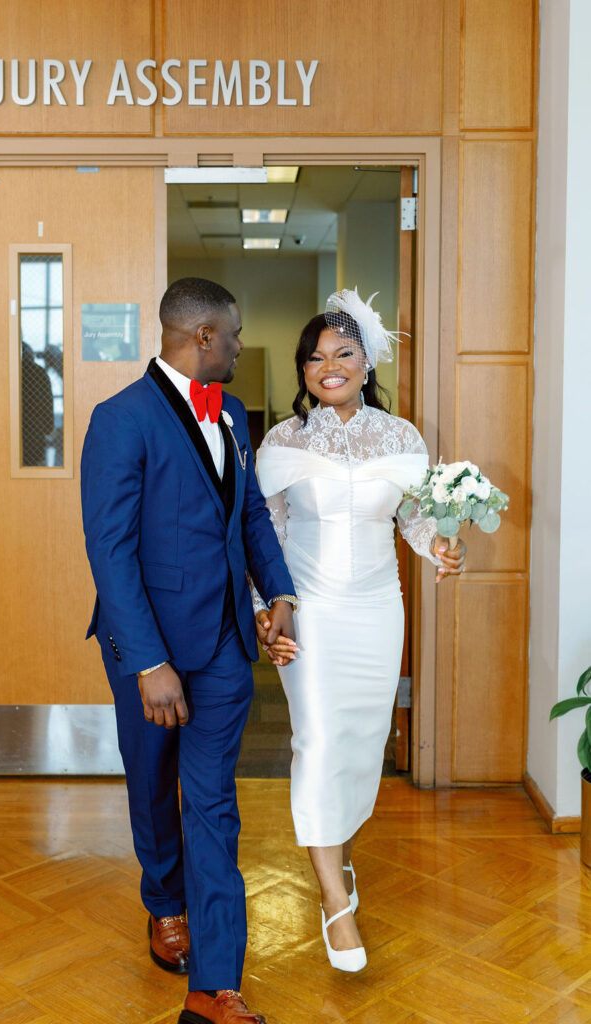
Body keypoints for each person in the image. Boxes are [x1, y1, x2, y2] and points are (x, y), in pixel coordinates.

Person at [81, 277, 296, 1024]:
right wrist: (147, 662)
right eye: (233, 335)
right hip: (150, 649)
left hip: (226, 646)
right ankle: (163, 900)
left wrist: (278, 594)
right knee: (151, 785)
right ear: (201, 336)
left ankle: (213, 984)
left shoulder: (234, 414)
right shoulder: (120, 420)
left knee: (212, 805)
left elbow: (251, 521)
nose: (240, 346)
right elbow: (109, 553)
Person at [253, 289, 466, 973]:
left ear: (365, 361)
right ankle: (332, 903)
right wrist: (267, 605)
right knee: (315, 739)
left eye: (343, 352)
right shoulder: (283, 440)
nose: (329, 365)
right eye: (315, 357)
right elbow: (267, 531)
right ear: (304, 371)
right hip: (308, 608)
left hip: (378, 608)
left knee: (357, 742)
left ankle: (337, 855)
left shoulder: (401, 437)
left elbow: (412, 518)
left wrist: (439, 546)